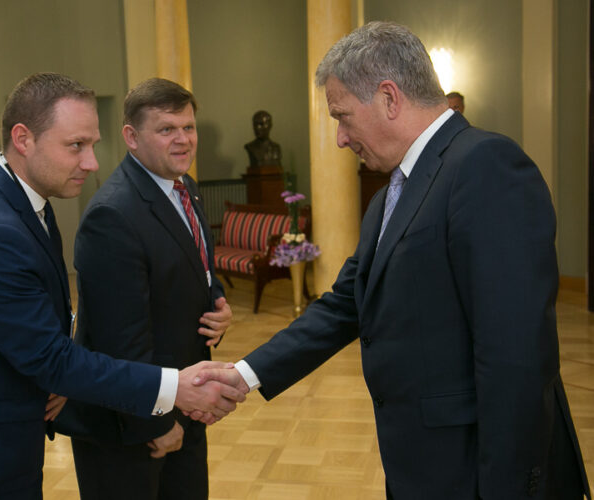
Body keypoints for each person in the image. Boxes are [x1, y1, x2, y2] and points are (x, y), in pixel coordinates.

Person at [197, 22, 591, 499]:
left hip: (477, 471)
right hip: (422, 465)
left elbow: (517, 358)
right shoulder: (389, 196)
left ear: (389, 97)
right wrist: (245, 373)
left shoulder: (485, 165)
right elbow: (346, 303)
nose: (340, 139)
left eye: (342, 117)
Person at [0, 72, 244, 500]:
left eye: (92, 145)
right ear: (23, 138)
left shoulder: (23, 201)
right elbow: (50, 358)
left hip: (5, 428)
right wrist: (173, 388)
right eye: (75, 146)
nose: (92, 162)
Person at [56, 77, 232, 500]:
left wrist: (216, 297)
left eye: (188, 128)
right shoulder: (112, 217)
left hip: (182, 406)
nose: (183, 140)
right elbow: (121, 339)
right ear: (131, 137)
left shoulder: (184, 187)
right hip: (129, 425)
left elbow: (191, 260)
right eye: (167, 129)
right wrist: (156, 424)